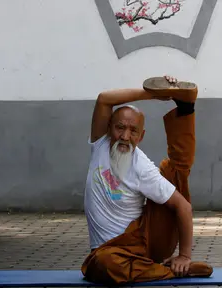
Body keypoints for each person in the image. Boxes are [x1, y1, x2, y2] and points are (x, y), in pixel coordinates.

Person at [81, 75, 213, 285]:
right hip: (109, 253)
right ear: (109, 129)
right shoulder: (100, 144)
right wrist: (155, 93)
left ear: (141, 137)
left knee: (174, 172)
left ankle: (185, 107)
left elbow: (184, 207)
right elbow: (103, 99)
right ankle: (166, 271)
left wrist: (184, 255)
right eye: (119, 128)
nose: (125, 136)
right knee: (103, 262)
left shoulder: (142, 167)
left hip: (142, 243)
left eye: (133, 131)